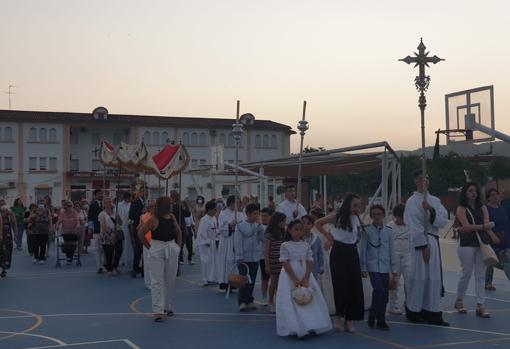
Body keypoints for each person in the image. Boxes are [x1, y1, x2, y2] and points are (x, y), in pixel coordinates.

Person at [404, 171, 449, 326]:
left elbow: (443, 221)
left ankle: (433, 312)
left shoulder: (435, 200)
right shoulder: (411, 201)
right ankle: (415, 311)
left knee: (433, 278)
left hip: (433, 240)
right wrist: (423, 245)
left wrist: (431, 210)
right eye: (420, 179)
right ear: (415, 181)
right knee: (419, 276)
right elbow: (413, 224)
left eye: (426, 179)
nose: (424, 181)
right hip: (420, 243)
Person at [315, 193, 364, 333]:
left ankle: (350, 319)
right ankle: (338, 316)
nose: (357, 208)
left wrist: (358, 235)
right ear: (348, 204)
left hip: (352, 251)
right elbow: (318, 223)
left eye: (359, 206)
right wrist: (328, 236)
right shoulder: (337, 216)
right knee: (340, 284)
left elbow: (356, 235)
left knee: (354, 286)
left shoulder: (356, 219)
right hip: (339, 251)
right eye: (355, 205)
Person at [276, 219, 332, 338]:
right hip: (290, 275)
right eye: (296, 229)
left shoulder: (306, 245)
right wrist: (295, 279)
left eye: (301, 229)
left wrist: (306, 277)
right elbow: (285, 262)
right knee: (292, 300)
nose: (299, 232)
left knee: (308, 298)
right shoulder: (285, 245)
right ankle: (297, 326)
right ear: (289, 231)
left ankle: (311, 324)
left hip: (305, 274)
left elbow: (310, 261)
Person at [454, 182, 499, 318]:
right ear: (465, 193)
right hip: (466, 244)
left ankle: (480, 305)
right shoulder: (461, 208)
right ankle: (459, 300)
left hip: (481, 244)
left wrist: (491, 234)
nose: (473, 193)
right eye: (470, 191)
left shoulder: (483, 207)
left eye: (475, 191)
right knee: (466, 273)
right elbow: (467, 227)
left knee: (480, 275)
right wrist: (483, 227)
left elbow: (486, 224)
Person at [138, 196, 182, 322]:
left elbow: (179, 232)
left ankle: (167, 306)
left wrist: (177, 247)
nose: (171, 205)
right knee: (157, 280)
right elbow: (140, 233)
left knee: (170, 279)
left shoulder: (172, 217)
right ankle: (158, 310)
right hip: (157, 248)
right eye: (169, 204)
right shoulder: (153, 219)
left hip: (171, 248)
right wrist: (149, 247)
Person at [360, 205, 397, 331]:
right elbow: (363, 249)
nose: (377, 217)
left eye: (379, 214)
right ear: (371, 216)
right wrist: (363, 267)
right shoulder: (367, 230)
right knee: (379, 290)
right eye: (374, 214)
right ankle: (380, 320)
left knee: (385, 295)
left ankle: (374, 314)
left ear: (383, 215)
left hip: (385, 267)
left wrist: (394, 269)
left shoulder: (389, 231)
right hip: (372, 266)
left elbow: (392, 251)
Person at [234, 203, 265, 311]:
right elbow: (238, 242)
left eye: (258, 213)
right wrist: (239, 255)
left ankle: (249, 300)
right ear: (248, 214)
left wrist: (261, 226)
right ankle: (242, 302)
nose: (257, 216)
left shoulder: (258, 226)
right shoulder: (240, 226)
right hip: (244, 257)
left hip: (255, 256)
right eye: (255, 213)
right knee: (243, 280)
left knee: (252, 279)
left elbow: (263, 238)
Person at [217, 196, 246, 290]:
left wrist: (239, 225)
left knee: (235, 260)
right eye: (235, 203)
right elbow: (221, 228)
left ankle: (234, 282)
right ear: (230, 203)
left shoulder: (240, 214)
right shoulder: (223, 214)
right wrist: (230, 225)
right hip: (227, 240)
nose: (237, 205)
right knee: (226, 261)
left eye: (238, 203)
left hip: (236, 239)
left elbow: (244, 224)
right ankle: (224, 282)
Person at [387, 204, 410, 315]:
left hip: (408, 256)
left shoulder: (410, 226)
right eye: (400, 217)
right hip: (394, 257)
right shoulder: (389, 227)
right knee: (394, 282)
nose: (402, 220)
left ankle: (409, 303)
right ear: (396, 216)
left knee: (409, 281)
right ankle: (393, 305)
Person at [485, 188, 510, 288]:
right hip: (492, 240)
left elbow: (505, 225)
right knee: (503, 262)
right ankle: (487, 282)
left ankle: (487, 282)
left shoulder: (502, 208)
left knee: (494, 262)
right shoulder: (486, 209)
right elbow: (485, 224)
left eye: (497, 194)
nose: (495, 196)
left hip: (504, 241)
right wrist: (492, 235)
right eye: (492, 195)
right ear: (488, 198)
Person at [264, 211, 286, 313]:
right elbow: (266, 251)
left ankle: (280, 301)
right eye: (283, 221)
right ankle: (270, 301)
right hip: (273, 260)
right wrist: (267, 265)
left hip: (282, 260)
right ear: (278, 222)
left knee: (280, 282)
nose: (285, 223)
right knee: (273, 281)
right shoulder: (269, 234)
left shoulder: (283, 232)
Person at [196, 200, 219, 286]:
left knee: (213, 261)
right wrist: (206, 241)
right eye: (214, 209)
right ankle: (205, 279)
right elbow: (201, 232)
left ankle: (212, 278)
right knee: (205, 261)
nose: (216, 211)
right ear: (209, 210)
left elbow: (216, 229)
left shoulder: (214, 218)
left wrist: (217, 234)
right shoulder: (204, 219)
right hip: (205, 243)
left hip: (213, 241)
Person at [99, 197, 123, 275]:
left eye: (110, 202)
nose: (108, 203)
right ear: (104, 204)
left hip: (117, 232)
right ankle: (109, 268)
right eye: (107, 202)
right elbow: (103, 226)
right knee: (108, 252)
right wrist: (110, 233)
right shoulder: (102, 214)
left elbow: (121, 223)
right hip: (107, 234)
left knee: (119, 250)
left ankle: (115, 265)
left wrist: (117, 217)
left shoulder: (115, 212)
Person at [56, 200, 80, 265]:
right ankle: (68, 257)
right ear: (65, 207)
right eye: (67, 206)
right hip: (65, 231)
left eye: (70, 206)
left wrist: (78, 225)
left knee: (73, 245)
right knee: (67, 245)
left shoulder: (75, 212)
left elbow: (77, 220)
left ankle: (70, 258)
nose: (69, 208)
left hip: (74, 231)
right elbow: (59, 220)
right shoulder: (62, 213)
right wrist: (57, 225)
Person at [140, 199, 156, 289]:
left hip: (157, 242)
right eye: (151, 206)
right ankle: (148, 282)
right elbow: (139, 228)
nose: (153, 208)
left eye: (154, 206)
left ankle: (155, 281)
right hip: (147, 241)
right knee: (147, 263)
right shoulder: (144, 216)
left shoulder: (158, 216)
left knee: (156, 263)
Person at [129, 190, 145, 278]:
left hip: (148, 229)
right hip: (138, 228)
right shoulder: (134, 203)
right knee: (138, 249)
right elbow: (131, 216)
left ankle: (144, 269)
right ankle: (135, 268)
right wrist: (141, 212)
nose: (145, 193)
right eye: (143, 191)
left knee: (146, 250)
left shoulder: (149, 202)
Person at [302, 215, 324, 279]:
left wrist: (321, 266)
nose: (305, 225)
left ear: (312, 225)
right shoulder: (297, 238)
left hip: (314, 267)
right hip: (301, 268)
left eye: (308, 223)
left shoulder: (316, 238)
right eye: (303, 223)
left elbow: (320, 253)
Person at [88, 189, 104, 273]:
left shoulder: (106, 204)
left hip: (106, 229)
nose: (101, 195)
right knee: (97, 248)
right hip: (97, 229)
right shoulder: (93, 205)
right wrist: (90, 228)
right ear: (95, 195)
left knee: (106, 248)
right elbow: (90, 217)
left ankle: (106, 263)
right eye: (99, 194)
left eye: (101, 193)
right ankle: (99, 266)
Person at [259, 207, 272, 304]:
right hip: (263, 256)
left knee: (275, 278)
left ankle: (273, 297)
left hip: (274, 256)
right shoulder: (258, 227)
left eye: (265, 216)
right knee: (264, 278)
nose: (263, 218)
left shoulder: (274, 228)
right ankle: (264, 296)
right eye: (262, 215)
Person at [1, 203, 16, 276]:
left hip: (7, 236)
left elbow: (14, 223)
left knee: (7, 252)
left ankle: (4, 270)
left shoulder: (10, 213)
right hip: (0, 236)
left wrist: (15, 234)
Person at [117, 192, 132, 268]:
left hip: (128, 226)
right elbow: (117, 215)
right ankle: (121, 260)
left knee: (127, 244)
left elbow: (130, 216)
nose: (129, 199)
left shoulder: (130, 205)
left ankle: (127, 260)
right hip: (120, 226)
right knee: (121, 244)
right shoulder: (119, 205)